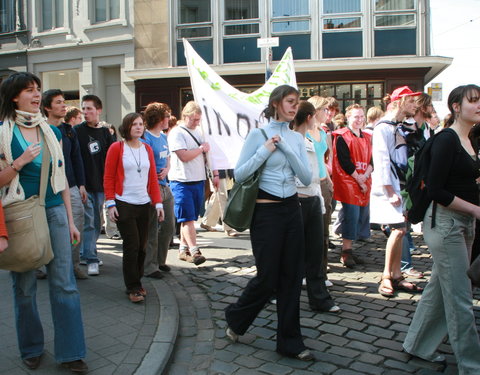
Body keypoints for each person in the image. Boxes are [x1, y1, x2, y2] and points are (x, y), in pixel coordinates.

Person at [0, 72, 87, 372]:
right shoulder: (3, 133)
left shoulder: (54, 132)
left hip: (55, 213)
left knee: (64, 284)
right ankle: (31, 347)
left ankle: (71, 351)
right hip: (22, 215)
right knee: (24, 286)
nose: (37, 95)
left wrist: (70, 220)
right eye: (29, 90)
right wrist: (19, 163)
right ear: (14, 97)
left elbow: (61, 179)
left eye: (38, 90)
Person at [224, 85, 314, 361]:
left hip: (292, 210)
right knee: (268, 277)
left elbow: (307, 178)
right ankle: (237, 316)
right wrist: (265, 150)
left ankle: (290, 342)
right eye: (289, 101)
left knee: (291, 277)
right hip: (266, 214)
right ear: (275, 103)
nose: (294, 106)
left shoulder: (297, 138)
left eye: (297, 102)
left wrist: (287, 147)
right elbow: (239, 174)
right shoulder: (257, 134)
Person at [403, 85, 480, 374]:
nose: (479, 105)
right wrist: (474, 209)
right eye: (473, 101)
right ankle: (472, 366)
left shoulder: (470, 138)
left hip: (464, 224)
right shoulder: (447, 139)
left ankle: (417, 345)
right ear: (456, 107)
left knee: (439, 289)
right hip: (445, 224)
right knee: (461, 297)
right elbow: (435, 189)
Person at [104, 112, 164, 303]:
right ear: (127, 127)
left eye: (141, 124)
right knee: (132, 245)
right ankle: (132, 287)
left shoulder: (146, 149)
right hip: (123, 203)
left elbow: (153, 179)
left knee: (142, 247)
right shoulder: (117, 147)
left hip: (144, 203)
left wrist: (158, 203)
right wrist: (110, 202)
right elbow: (109, 177)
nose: (139, 127)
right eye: (134, 124)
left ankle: (136, 281)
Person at [370, 86, 423, 297]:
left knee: (402, 231)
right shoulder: (383, 127)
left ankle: (396, 274)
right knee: (399, 230)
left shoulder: (400, 125)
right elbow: (381, 160)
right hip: (390, 188)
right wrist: (390, 191)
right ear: (400, 101)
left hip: (402, 186)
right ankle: (386, 276)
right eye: (411, 101)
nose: (414, 105)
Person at [292, 101, 339, 312]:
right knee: (292, 250)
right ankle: (278, 291)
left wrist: (323, 187)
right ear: (310, 116)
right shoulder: (290, 140)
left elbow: (317, 166)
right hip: (295, 200)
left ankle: (319, 297)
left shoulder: (311, 138)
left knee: (316, 247)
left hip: (313, 197)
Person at [42, 89, 88, 280]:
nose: (64, 105)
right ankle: (43, 264)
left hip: (70, 186)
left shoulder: (69, 130)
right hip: (46, 189)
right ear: (47, 107)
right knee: (45, 228)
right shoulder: (41, 129)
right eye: (59, 102)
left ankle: (73, 264)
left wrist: (82, 185)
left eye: (64, 102)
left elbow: (76, 158)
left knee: (76, 223)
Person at [168, 101, 216, 266]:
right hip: (182, 181)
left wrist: (214, 173)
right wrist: (201, 149)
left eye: (198, 119)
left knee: (189, 217)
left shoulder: (199, 132)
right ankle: (195, 250)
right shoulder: (177, 133)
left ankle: (183, 249)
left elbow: (208, 156)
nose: (197, 122)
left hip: (198, 179)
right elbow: (184, 156)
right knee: (187, 218)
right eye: (194, 119)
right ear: (185, 116)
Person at [75, 95, 114, 276]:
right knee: (89, 221)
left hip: (101, 185)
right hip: (84, 185)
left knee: (97, 221)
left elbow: (112, 159)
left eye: (89, 109)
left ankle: (85, 252)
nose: (85, 112)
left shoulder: (106, 133)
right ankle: (91, 257)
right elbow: (75, 159)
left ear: (98, 110)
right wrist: (80, 183)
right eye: (83, 108)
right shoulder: (77, 131)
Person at [332, 104, 373, 268]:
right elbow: (344, 161)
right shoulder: (342, 136)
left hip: (364, 180)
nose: (359, 120)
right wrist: (359, 179)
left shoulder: (368, 137)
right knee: (351, 216)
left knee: (361, 217)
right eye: (356, 116)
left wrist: (365, 176)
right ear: (348, 117)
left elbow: (372, 160)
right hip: (349, 181)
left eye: (362, 116)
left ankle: (350, 249)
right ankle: (346, 251)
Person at [142, 102, 176, 278]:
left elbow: (168, 157)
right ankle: (150, 265)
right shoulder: (145, 138)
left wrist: (167, 169)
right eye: (167, 116)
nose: (169, 119)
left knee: (169, 226)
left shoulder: (163, 137)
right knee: (152, 229)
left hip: (165, 186)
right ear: (158, 118)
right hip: (151, 188)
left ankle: (160, 260)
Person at [306, 95, 334, 282]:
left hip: (324, 183)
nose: (328, 113)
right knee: (309, 232)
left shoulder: (323, 133)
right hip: (309, 185)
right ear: (315, 111)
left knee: (324, 231)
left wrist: (329, 179)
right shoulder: (302, 133)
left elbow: (324, 158)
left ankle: (321, 273)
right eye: (325, 109)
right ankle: (306, 272)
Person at [200, 168, 238, 237]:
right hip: (217, 169)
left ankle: (206, 222)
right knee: (222, 195)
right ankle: (228, 227)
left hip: (226, 167)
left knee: (218, 196)